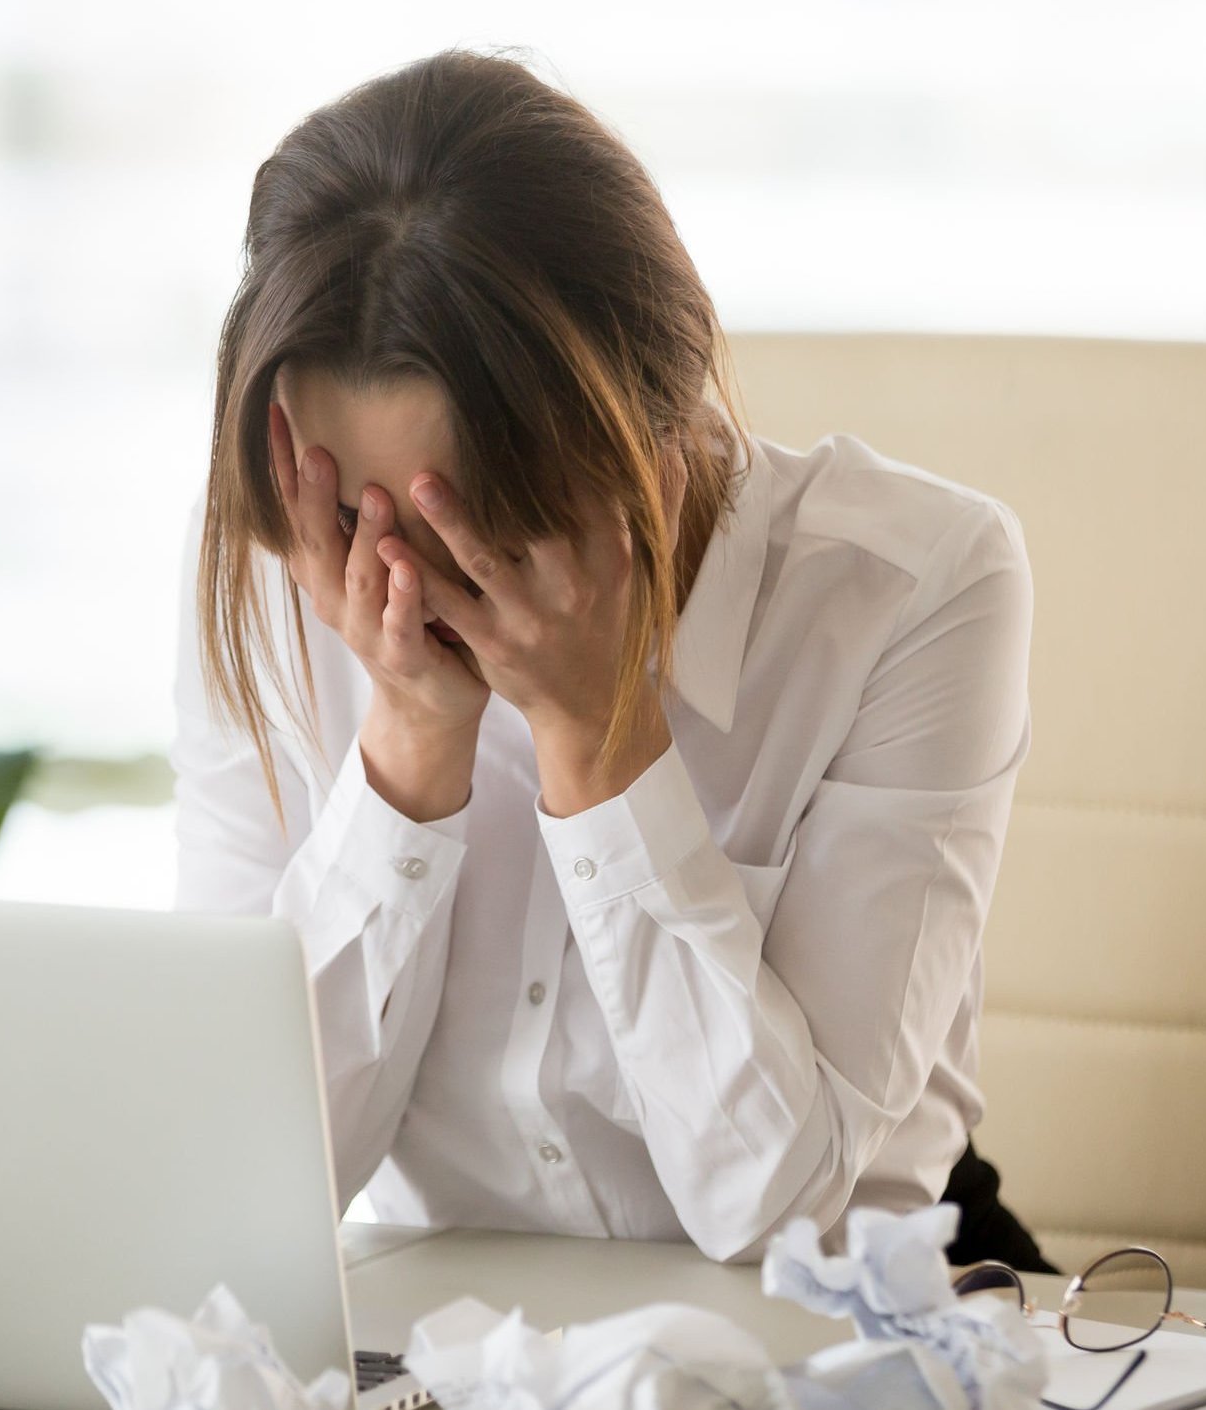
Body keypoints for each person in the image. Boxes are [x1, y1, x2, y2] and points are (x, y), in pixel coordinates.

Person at [172, 49, 1048, 1269]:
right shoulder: (294, 574)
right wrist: (409, 749)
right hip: (453, 1358)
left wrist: (601, 746)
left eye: (466, 537)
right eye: (352, 519)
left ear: (659, 429)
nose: (397, 586)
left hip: (827, 1344)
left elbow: (777, 1210)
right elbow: (237, 1177)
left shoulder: (914, 587)